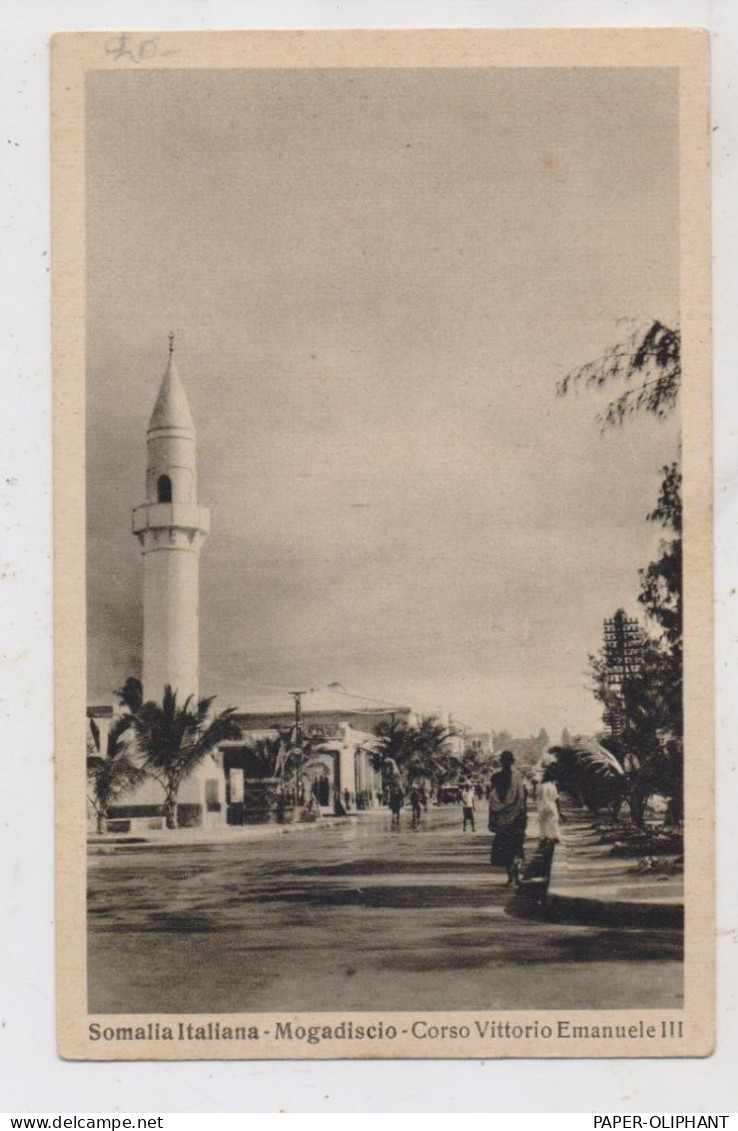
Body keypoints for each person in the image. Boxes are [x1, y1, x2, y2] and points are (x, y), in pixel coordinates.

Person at [488, 751, 528, 886]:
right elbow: (523, 801)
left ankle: (510, 878)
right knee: (516, 848)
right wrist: (524, 819)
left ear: (501, 762)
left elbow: (492, 801)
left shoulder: (496, 777)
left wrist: (492, 819)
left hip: (501, 819)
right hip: (517, 819)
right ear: (513, 762)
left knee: (505, 849)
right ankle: (516, 877)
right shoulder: (518, 778)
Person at [536, 765, 561, 845]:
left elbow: (535, 795)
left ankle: (543, 837)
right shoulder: (552, 786)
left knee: (543, 822)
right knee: (553, 821)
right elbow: (556, 799)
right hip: (551, 805)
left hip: (542, 805)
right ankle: (555, 837)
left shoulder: (540, 786)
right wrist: (559, 810)